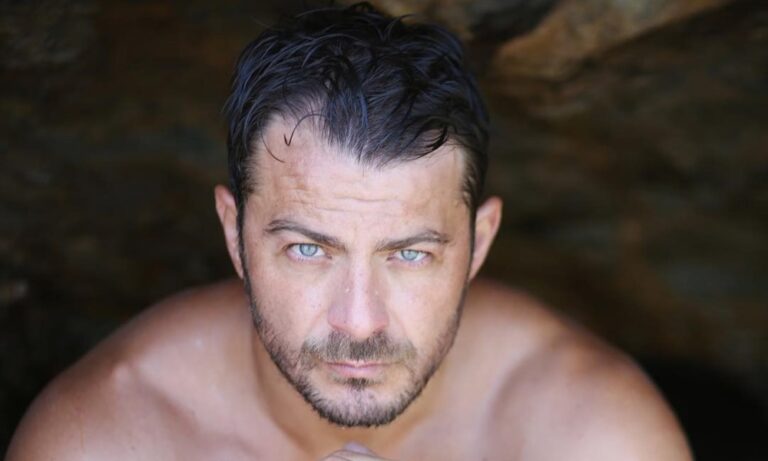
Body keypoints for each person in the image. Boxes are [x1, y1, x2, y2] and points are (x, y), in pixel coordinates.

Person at [6, 3, 692, 460]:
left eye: (411, 254)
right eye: (309, 249)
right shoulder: (104, 441)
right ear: (234, 234)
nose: (359, 321)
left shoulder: (593, 436)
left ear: (479, 243)